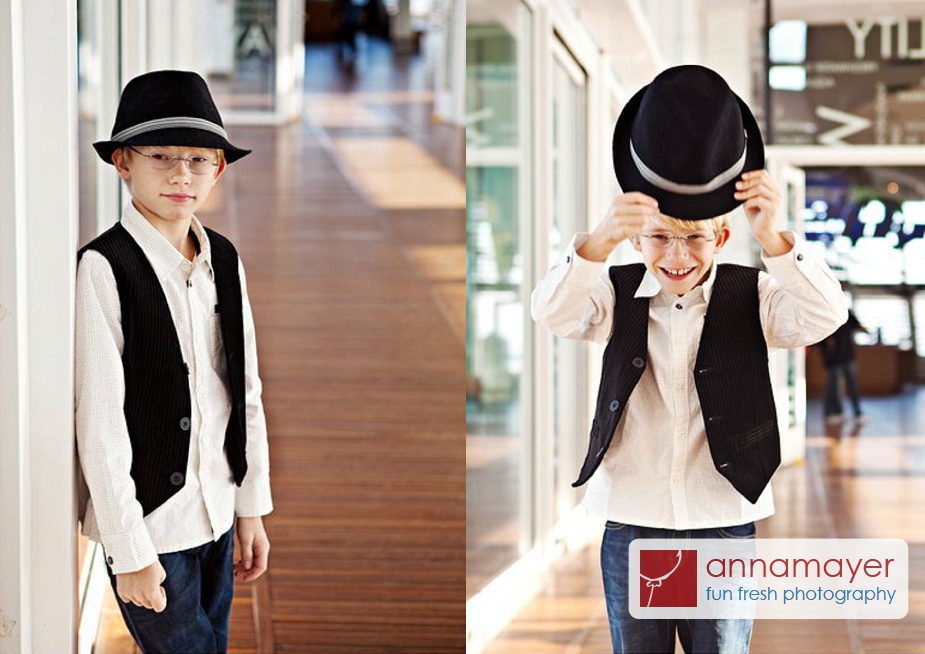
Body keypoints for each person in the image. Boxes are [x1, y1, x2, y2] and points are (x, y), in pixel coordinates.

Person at [531, 65, 847, 654]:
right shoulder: (614, 291)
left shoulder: (752, 294)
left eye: (695, 238)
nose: (676, 255)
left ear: (722, 239)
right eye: (658, 238)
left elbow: (825, 314)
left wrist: (776, 238)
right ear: (635, 239)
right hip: (632, 520)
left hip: (721, 518)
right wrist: (594, 243)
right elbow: (552, 312)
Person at [75, 70, 273, 654]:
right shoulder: (104, 268)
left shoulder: (225, 258)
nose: (181, 174)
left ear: (219, 167)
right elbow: (101, 421)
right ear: (122, 163)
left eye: (198, 159)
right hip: (151, 526)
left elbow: (245, 389)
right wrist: (130, 552)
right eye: (160, 156)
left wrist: (251, 506)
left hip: (215, 513)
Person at [821, 309, 868, 425]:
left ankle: (858, 413)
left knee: (853, 386)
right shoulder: (824, 312)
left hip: (848, 355)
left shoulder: (846, 312)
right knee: (834, 387)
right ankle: (832, 413)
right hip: (833, 357)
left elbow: (858, 326)